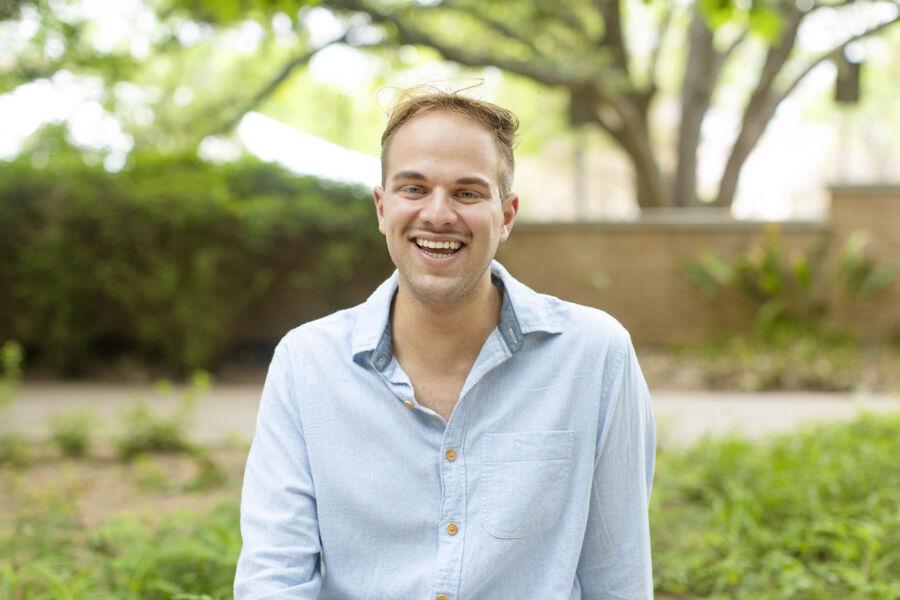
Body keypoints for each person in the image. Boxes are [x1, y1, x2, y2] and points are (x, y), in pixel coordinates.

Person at [234, 87, 656, 599]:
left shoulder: (594, 356)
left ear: (507, 215)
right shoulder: (306, 364)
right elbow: (273, 579)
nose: (438, 214)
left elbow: (618, 578)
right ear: (381, 206)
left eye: (468, 192)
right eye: (413, 188)